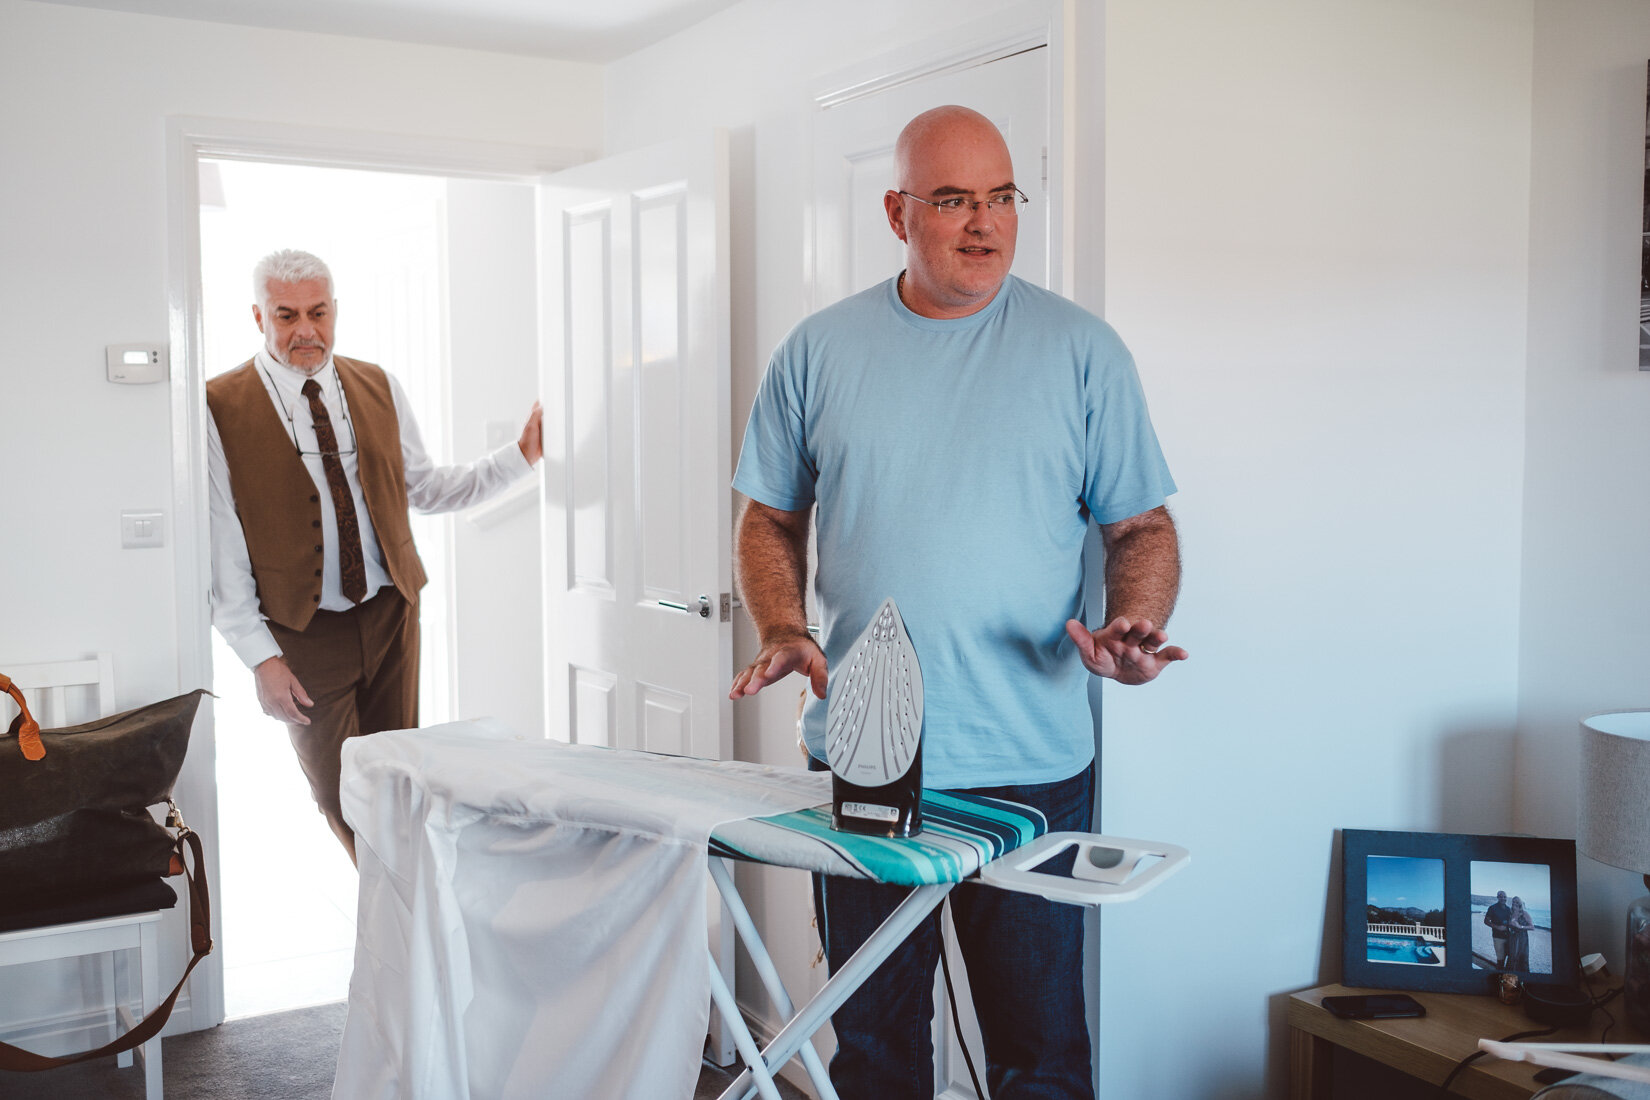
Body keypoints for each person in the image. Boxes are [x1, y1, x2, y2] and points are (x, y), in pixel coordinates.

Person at [728, 106, 1185, 1100]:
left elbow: (1141, 529)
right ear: (898, 212)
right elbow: (766, 517)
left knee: (1042, 1055)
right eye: (951, 200)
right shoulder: (820, 350)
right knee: (881, 1048)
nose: (982, 223)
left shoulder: (1083, 351)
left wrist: (1135, 624)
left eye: (1001, 197)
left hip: (1034, 770)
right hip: (868, 759)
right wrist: (782, 625)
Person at [207, 249, 542, 863]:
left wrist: (519, 455)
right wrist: (261, 658)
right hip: (302, 635)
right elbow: (223, 546)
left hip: (390, 615)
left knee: (400, 784)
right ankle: (402, 917)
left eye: (318, 312)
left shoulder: (378, 385)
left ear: (335, 311)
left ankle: (408, 925)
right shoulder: (218, 405)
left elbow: (427, 487)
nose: (305, 330)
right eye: (286, 315)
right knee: (340, 795)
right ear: (259, 316)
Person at [1485, 890, 1512, 968]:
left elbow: (1511, 922)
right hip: (1497, 937)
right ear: (1497, 897)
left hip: (1509, 937)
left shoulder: (1508, 909)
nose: (1503, 898)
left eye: (1504, 897)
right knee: (1500, 960)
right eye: (1501, 897)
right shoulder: (1492, 908)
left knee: (1510, 958)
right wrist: (1498, 927)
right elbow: (1486, 921)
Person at [1508, 896, 1535, 972]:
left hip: (1522, 938)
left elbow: (1532, 927)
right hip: (1512, 937)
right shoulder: (1511, 913)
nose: (1515, 903)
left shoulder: (1524, 913)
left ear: (1520, 903)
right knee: (1512, 956)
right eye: (1513, 902)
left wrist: (1520, 926)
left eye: (1517, 902)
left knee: (1521, 957)